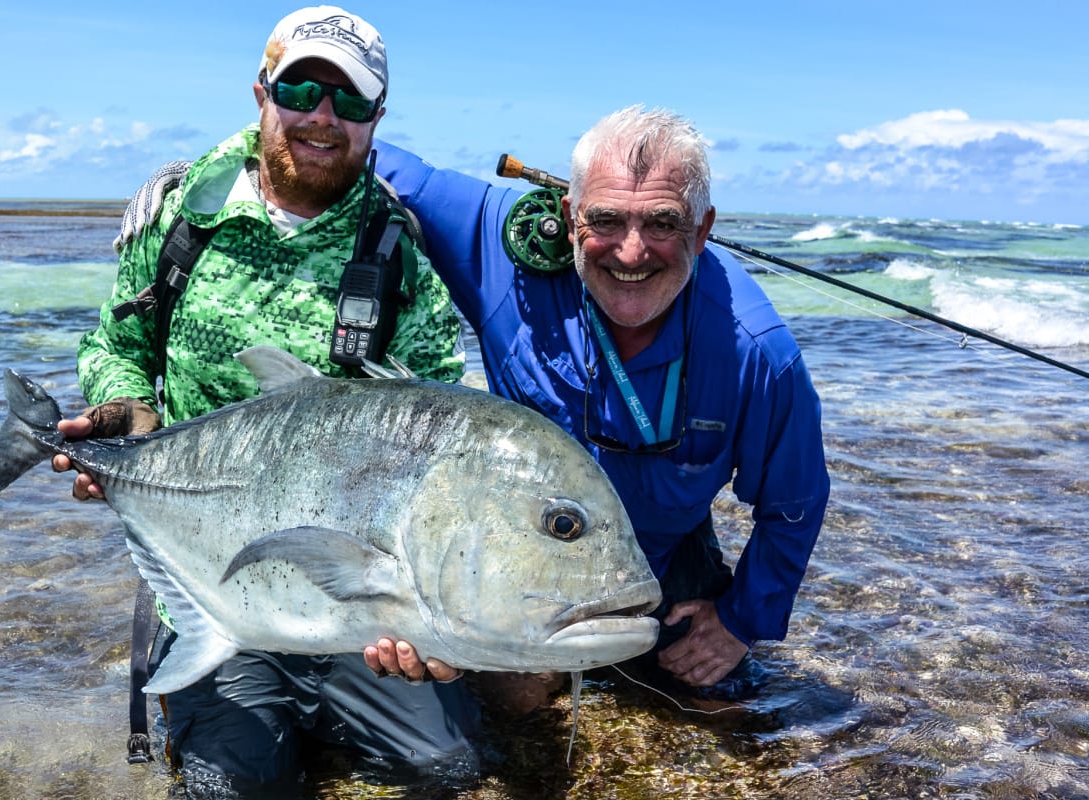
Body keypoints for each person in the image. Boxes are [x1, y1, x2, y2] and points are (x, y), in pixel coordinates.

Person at [118, 108, 830, 708]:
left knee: (723, 698)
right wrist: (201, 174)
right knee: (518, 696)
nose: (632, 251)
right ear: (569, 216)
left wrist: (738, 621)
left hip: (650, 558)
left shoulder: (755, 351)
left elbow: (795, 502)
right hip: (511, 543)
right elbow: (341, 136)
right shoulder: (503, 254)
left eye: (663, 224)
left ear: (703, 231)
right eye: (607, 220)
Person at [52, 6, 480, 796]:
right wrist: (125, 418)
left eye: (350, 102)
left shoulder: (399, 256)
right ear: (262, 93)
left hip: (354, 592)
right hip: (213, 579)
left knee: (445, 769)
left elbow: (441, 443)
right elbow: (116, 346)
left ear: (376, 117)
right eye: (301, 90)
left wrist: (437, 619)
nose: (323, 118)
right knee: (228, 787)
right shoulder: (184, 214)